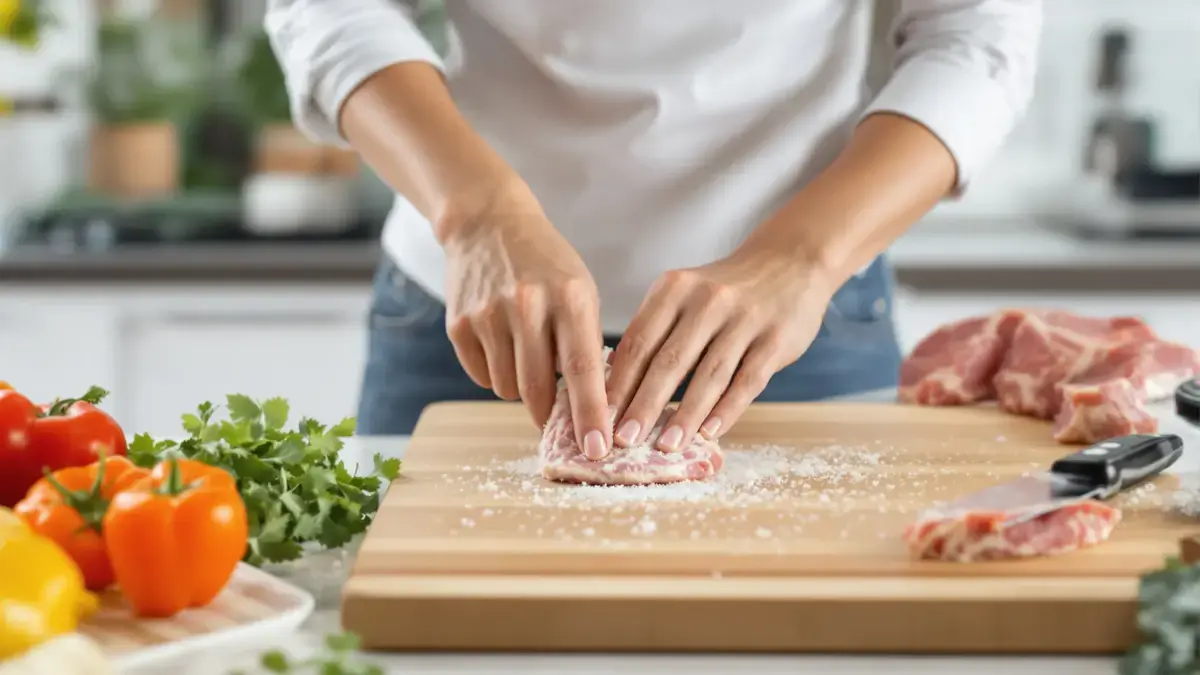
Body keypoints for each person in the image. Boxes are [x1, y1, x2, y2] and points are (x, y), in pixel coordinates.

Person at [265, 1, 1042, 459]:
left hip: (804, 319)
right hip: (464, 317)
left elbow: (974, 36)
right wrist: (477, 213)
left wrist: (801, 258)